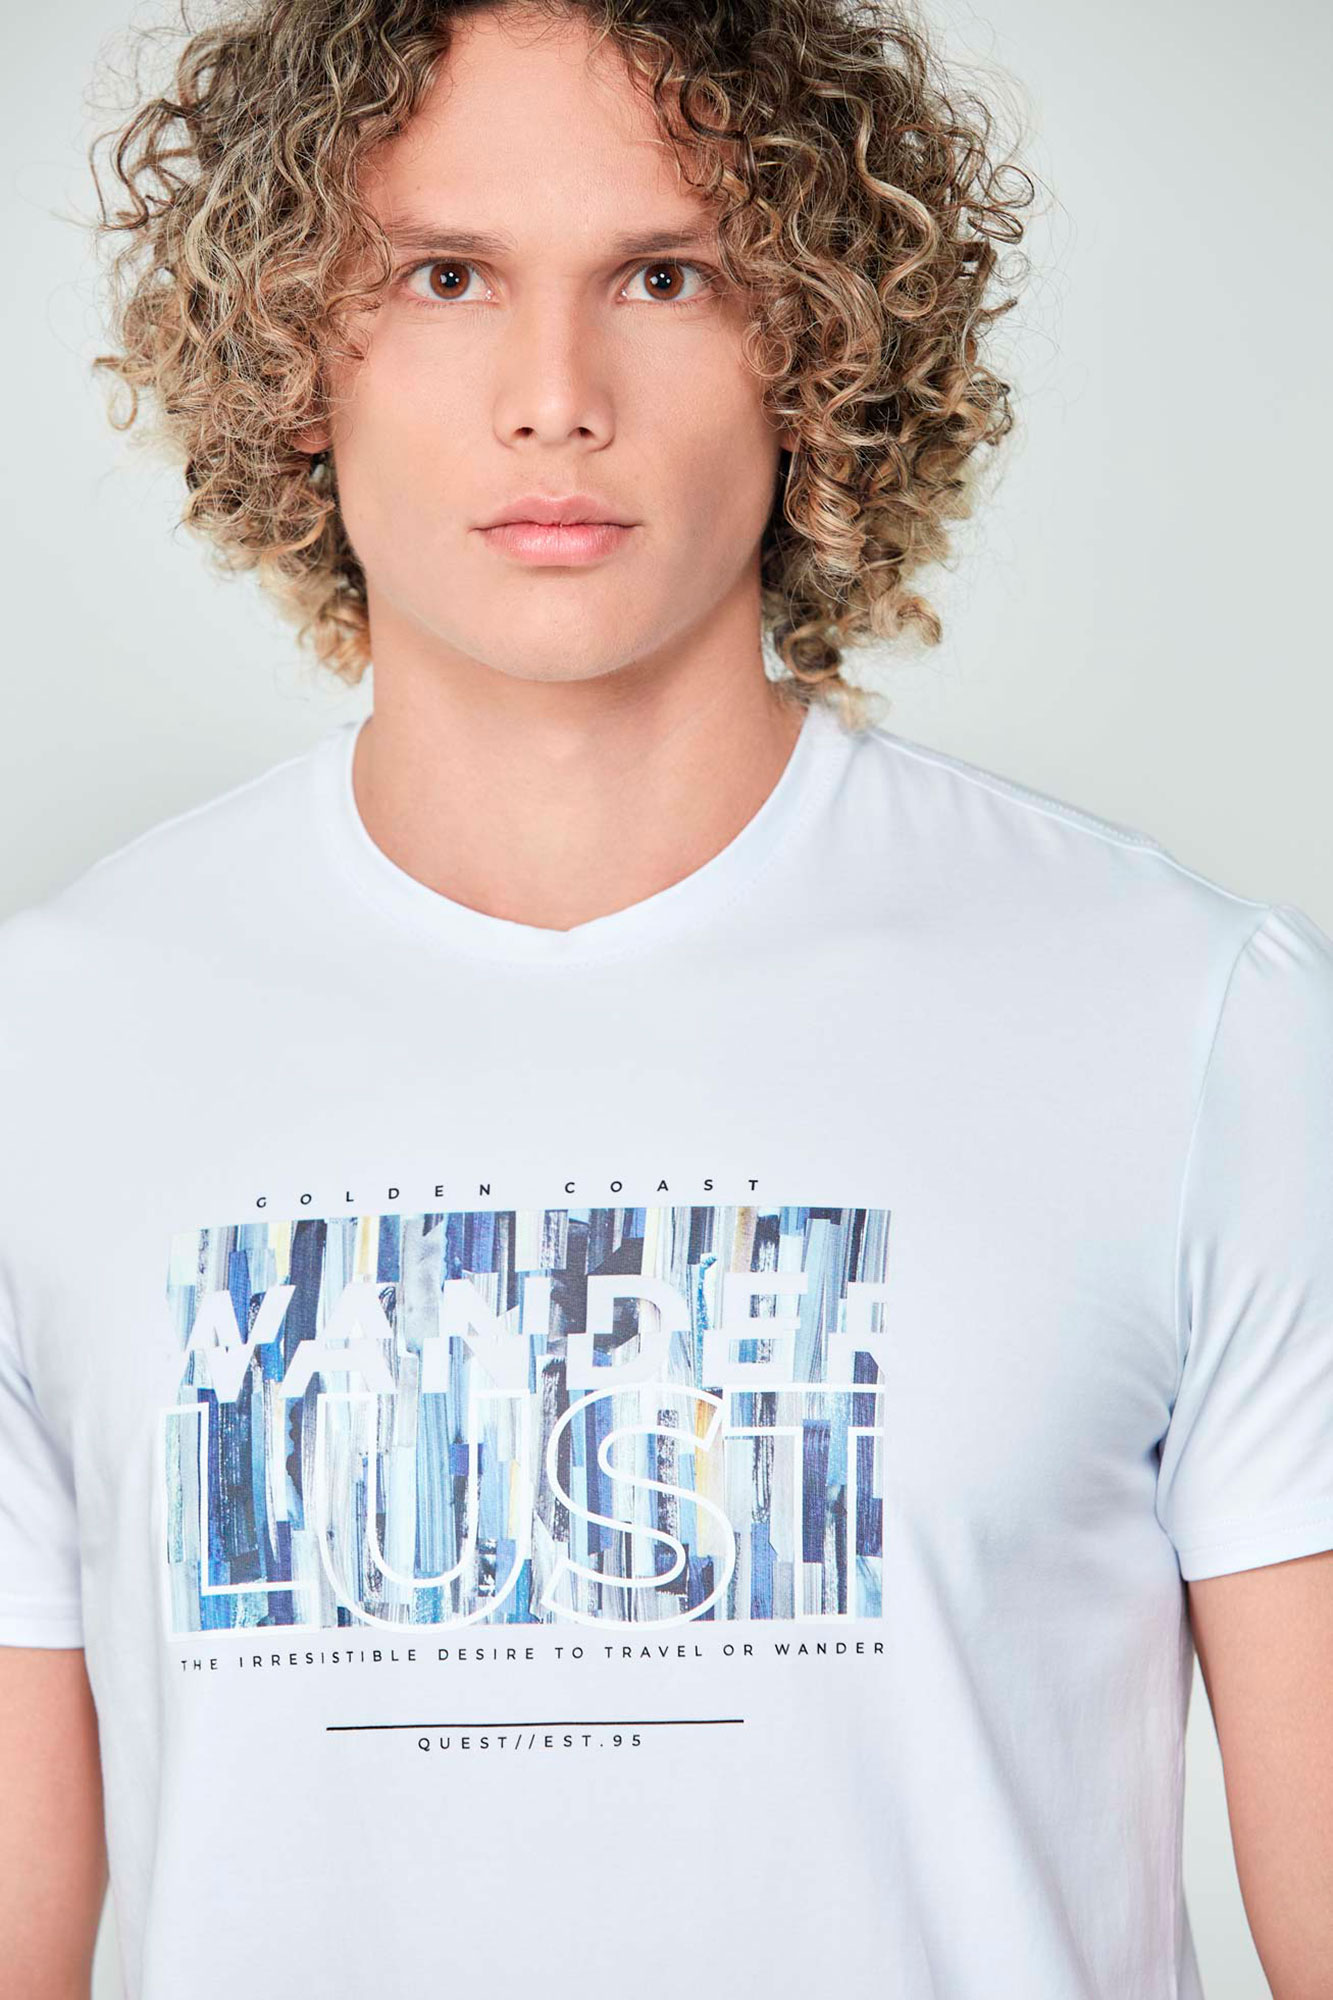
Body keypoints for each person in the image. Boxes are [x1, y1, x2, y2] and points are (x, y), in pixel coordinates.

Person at [1, 1, 1329, 1995]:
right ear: (289, 351)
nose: (555, 398)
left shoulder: (1197, 1024)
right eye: (443, 276)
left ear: (821, 348)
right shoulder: (49, 1057)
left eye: (666, 276)